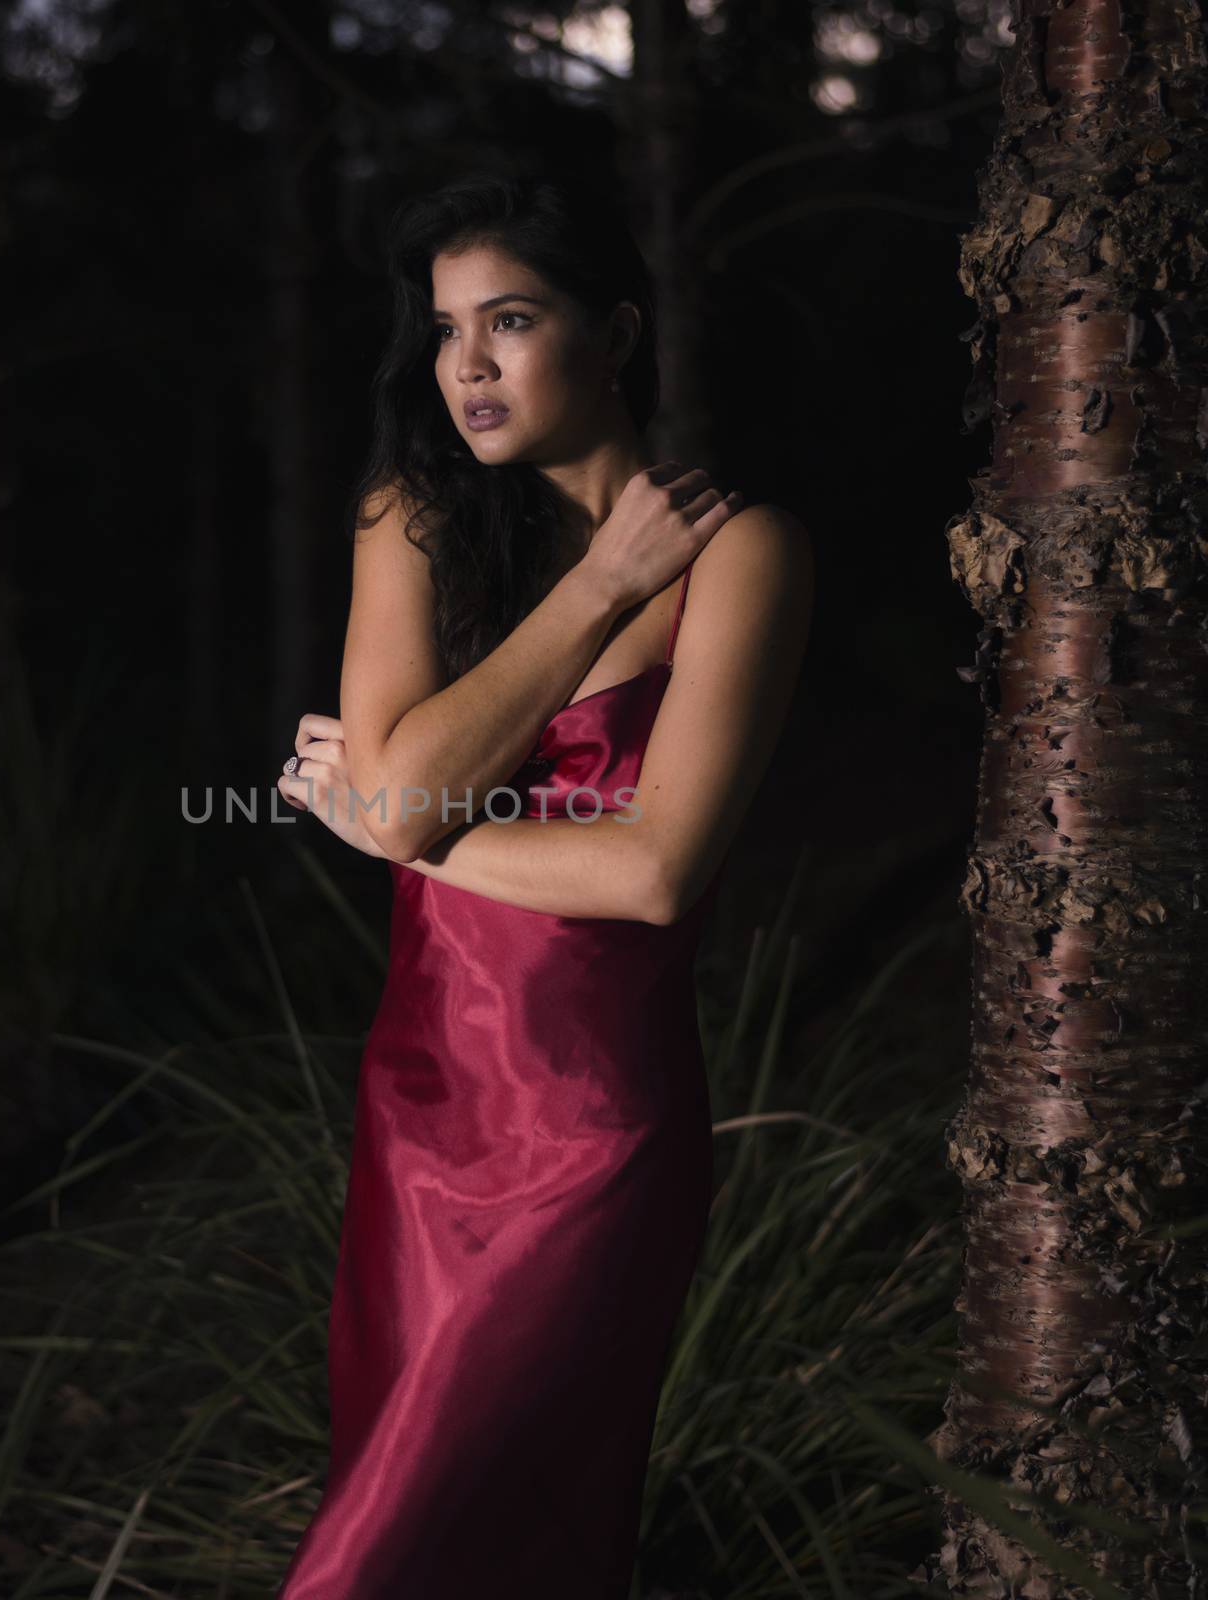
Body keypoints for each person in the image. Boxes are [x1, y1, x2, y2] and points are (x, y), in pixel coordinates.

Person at [273, 170, 813, 1598]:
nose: (467, 365)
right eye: (447, 328)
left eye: (509, 320)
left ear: (616, 331)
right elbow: (405, 790)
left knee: (389, 1559)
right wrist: (589, 593)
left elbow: (649, 873)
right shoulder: (416, 520)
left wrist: (394, 821)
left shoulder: (741, 555)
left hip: (597, 1137)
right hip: (417, 1120)